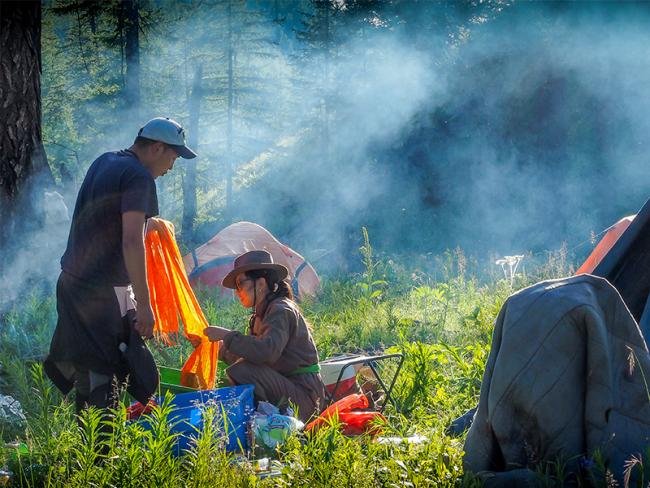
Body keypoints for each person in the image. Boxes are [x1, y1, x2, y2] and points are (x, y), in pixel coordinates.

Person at [44, 117, 197, 414]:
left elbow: (105, 220)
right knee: (108, 370)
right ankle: (103, 453)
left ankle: (90, 449)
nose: (170, 168)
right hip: (102, 292)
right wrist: (144, 304)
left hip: (72, 283)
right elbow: (130, 242)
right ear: (157, 148)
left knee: (89, 368)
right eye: (173, 157)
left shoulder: (106, 161)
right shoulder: (139, 177)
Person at [203, 250, 326, 422]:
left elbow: (266, 352)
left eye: (240, 284)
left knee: (242, 370)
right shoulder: (262, 314)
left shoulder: (281, 310)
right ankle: (256, 421)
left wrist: (228, 335)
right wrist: (217, 348)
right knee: (242, 367)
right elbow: (253, 357)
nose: (237, 292)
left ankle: (261, 421)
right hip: (289, 389)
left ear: (260, 284)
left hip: (306, 398)